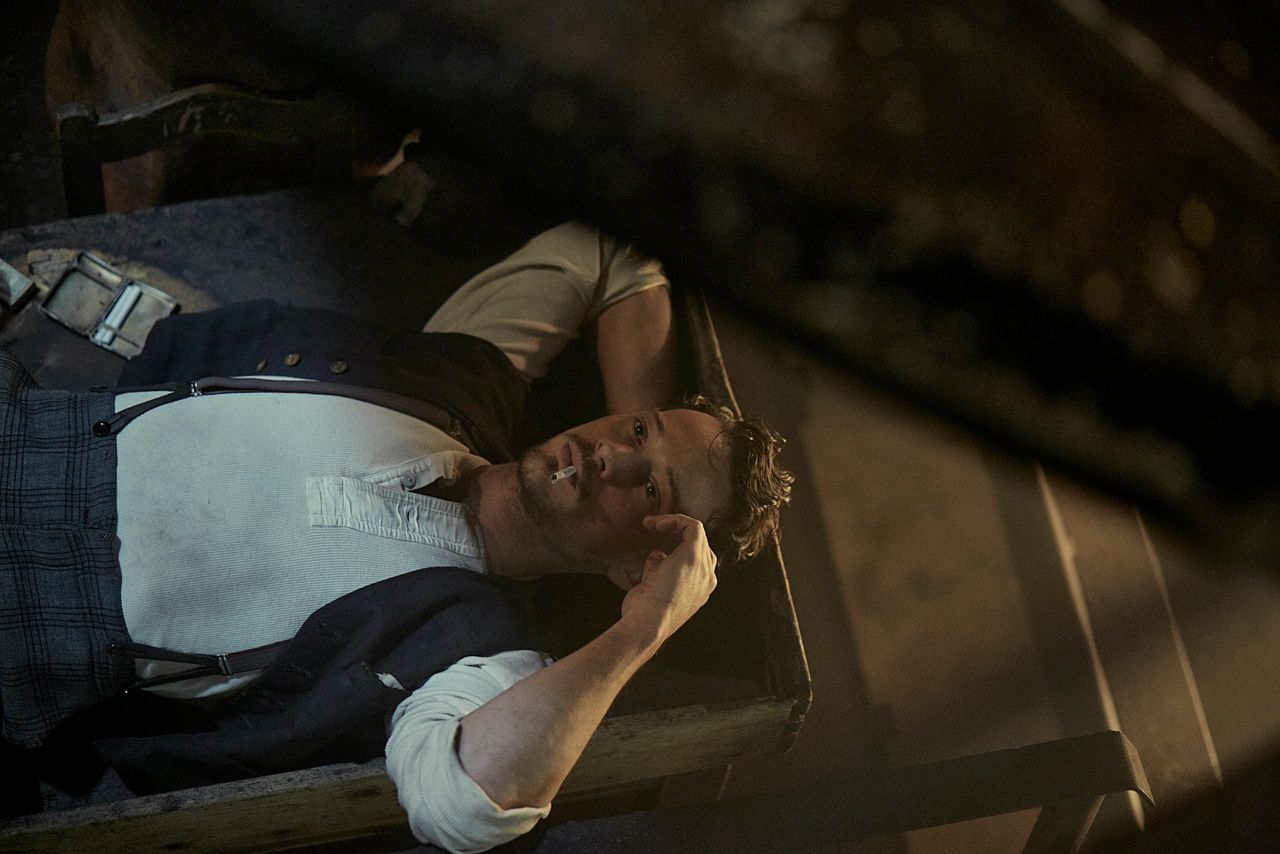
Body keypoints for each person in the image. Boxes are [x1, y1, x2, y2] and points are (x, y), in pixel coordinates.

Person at [1, 222, 791, 852]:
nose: (613, 454)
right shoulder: (458, 384)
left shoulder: (475, 653)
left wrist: (642, 629)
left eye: (651, 489)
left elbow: (464, 808)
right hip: (27, 428)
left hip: (27, 626)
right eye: (639, 430)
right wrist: (633, 456)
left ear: (637, 566)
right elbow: (607, 253)